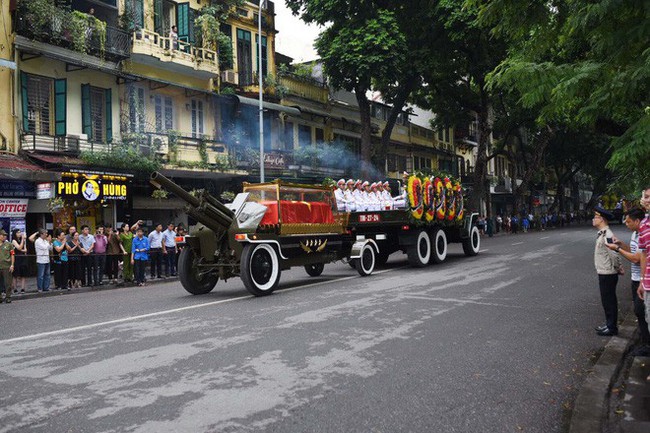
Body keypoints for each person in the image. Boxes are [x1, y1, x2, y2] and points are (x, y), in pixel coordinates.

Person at [605, 208, 649, 355]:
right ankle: (644, 342)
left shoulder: (643, 233)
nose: (626, 223)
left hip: (641, 279)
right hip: (636, 278)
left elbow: (637, 258)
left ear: (637, 221)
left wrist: (617, 249)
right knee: (640, 312)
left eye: (628, 221)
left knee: (641, 311)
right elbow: (634, 250)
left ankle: (646, 345)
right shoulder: (636, 234)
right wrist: (622, 244)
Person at [592, 206, 623, 336]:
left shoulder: (607, 235)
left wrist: (618, 267)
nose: (593, 219)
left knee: (609, 301)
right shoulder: (603, 233)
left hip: (608, 273)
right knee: (606, 300)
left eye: (596, 217)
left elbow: (614, 253)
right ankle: (609, 323)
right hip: (604, 272)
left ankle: (612, 327)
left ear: (602, 219)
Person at [636, 188, 650, 368]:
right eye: (644, 196)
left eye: (647, 197)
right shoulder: (644, 224)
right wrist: (641, 280)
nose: (644, 200)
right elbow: (644, 255)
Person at [0, 229, 15, 303]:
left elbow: (12, 255)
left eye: (5, 235)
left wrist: (12, 265)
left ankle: (8, 297)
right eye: (3, 235)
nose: (4, 237)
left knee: (8, 283)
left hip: (6, 266)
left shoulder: (9, 244)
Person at [11, 229, 27, 294]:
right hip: (16, 258)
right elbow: (19, 248)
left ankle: (22, 288)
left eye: (20, 232)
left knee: (23, 274)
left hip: (22, 257)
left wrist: (23, 240)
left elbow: (25, 249)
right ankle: (15, 288)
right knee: (15, 274)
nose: (19, 234)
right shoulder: (14, 241)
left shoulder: (22, 240)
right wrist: (23, 240)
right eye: (18, 232)